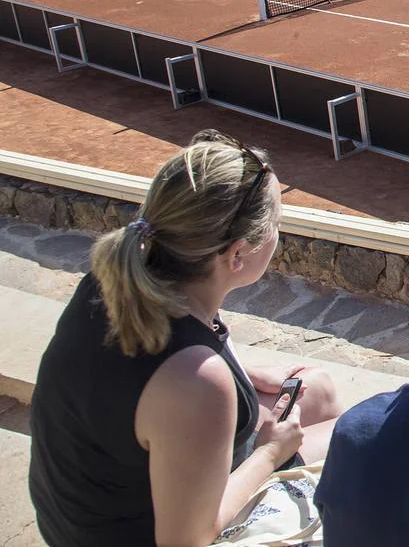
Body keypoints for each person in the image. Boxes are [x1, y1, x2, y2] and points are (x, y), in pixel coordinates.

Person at [29, 130, 344, 547]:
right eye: (277, 226)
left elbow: (144, 365)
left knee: (315, 388)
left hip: (83, 516)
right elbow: (186, 541)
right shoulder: (196, 380)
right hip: (155, 533)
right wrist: (270, 454)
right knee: (351, 438)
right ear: (236, 255)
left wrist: (242, 376)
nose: (278, 236)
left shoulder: (119, 280)